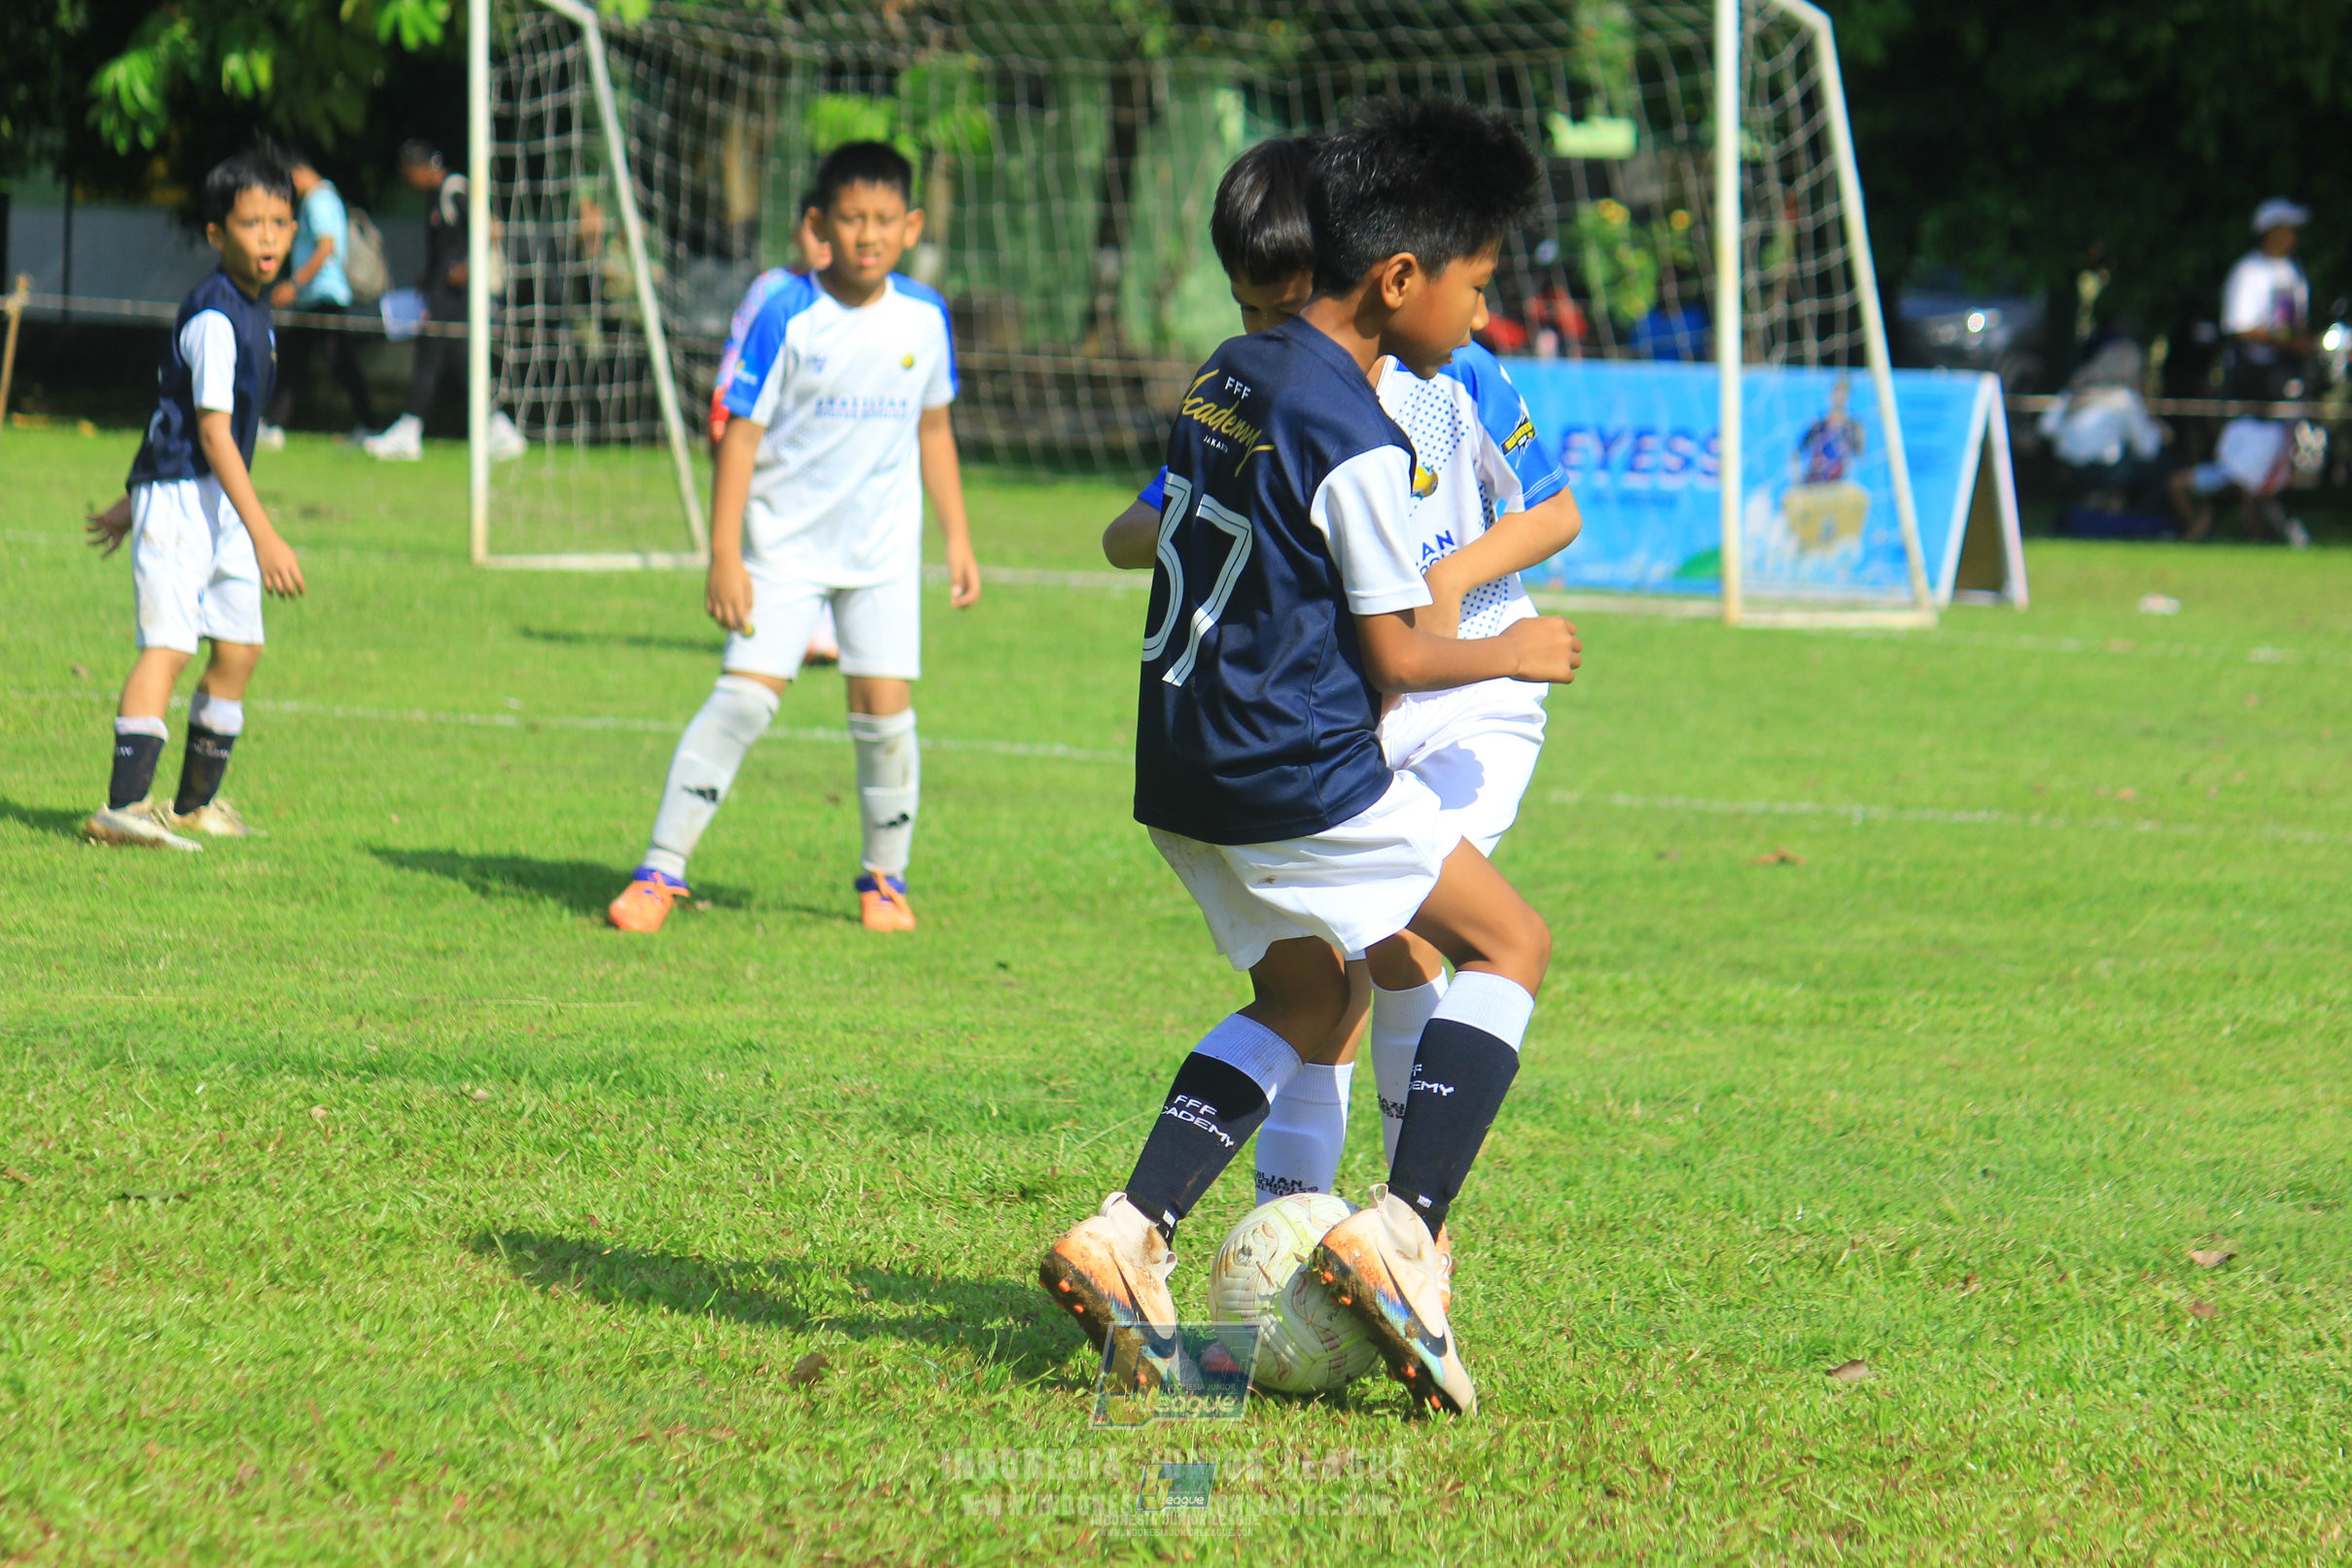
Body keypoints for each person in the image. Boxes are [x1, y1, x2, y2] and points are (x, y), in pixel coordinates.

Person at [1040, 99, 1581, 1417]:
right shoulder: (1355, 429)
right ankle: (1398, 1238)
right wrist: (1513, 654)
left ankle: (1125, 1230)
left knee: (1304, 1001)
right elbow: (1398, 652)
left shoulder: (1231, 368)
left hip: (1179, 767)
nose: (1478, 312)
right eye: (1472, 284)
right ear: (1398, 279)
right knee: (1506, 943)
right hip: (1290, 769)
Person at [605, 141, 980, 935]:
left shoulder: (924, 316)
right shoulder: (786, 312)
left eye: (884, 220)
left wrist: (957, 538)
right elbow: (739, 438)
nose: (867, 234)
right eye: (850, 219)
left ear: (910, 226)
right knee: (741, 701)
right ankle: (658, 871)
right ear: (819, 224)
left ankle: (884, 880)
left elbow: (935, 429)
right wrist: (723, 554)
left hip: (878, 557)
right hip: (783, 552)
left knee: (885, 718)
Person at [79, 152, 307, 851]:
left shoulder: (255, 312)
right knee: (171, 645)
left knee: (238, 649)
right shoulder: (215, 315)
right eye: (250, 224)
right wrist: (264, 532)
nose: (267, 237)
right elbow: (207, 431)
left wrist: (129, 495)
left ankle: (193, 806)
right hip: (188, 496)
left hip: (210, 495)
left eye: (278, 222)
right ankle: (123, 807)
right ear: (217, 234)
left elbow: (169, 412)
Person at [709, 205, 841, 665]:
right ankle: (761, 611)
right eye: (814, 229)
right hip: (769, 429)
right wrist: (723, 400)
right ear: (801, 229)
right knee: (771, 521)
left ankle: (823, 624)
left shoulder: (857, 298)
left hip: (825, 432)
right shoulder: (771, 289)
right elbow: (739, 346)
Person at [364, 140, 525, 461]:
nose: (408, 180)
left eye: (408, 173)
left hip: (457, 296)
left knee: (433, 357)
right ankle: (496, 426)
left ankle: (411, 429)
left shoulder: (455, 190)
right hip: (440, 294)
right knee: (457, 362)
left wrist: (466, 268)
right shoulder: (433, 198)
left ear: (422, 168)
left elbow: (491, 229)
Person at [260, 147, 376, 445]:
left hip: (323, 293)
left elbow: (326, 247)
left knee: (338, 362)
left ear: (296, 174)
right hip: (318, 294)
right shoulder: (324, 197)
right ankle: (275, 423)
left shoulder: (319, 200)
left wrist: (294, 284)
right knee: (297, 359)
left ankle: (369, 423)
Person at [2038, 337, 2168, 510]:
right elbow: (2148, 449)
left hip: (2069, 465)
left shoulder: (2076, 390)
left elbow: (2046, 427)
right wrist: (2158, 428)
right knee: (2165, 466)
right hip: (2105, 470)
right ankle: (2143, 516)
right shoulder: (2125, 399)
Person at [2220, 198, 2312, 401]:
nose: (2293, 236)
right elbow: (2240, 328)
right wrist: (2287, 341)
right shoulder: (2248, 270)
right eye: (2289, 229)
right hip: (2251, 375)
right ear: (2273, 231)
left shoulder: (2293, 271)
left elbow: (2296, 323)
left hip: (2286, 369)